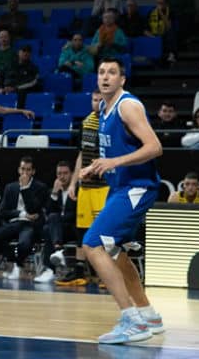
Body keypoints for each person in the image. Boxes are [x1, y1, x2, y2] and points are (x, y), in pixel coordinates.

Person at [79, 58, 164, 344]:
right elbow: (113, 152)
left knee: (92, 244)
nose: (105, 77)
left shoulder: (127, 106)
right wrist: (95, 167)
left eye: (112, 73)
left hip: (137, 187)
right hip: (120, 187)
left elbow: (155, 147)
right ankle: (149, 315)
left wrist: (115, 161)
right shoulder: (103, 109)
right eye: (102, 72)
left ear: (122, 79)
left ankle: (132, 320)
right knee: (116, 252)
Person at [58, 89, 103, 287]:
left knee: (103, 230)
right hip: (86, 187)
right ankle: (79, 272)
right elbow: (81, 154)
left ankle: (105, 273)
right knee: (82, 230)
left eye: (100, 100)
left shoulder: (112, 123)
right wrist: (74, 183)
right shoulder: (86, 123)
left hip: (104, 186)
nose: (97, 103)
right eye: (94, 99)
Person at [0, 157, 48, 280]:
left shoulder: (40, 187)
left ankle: (17, 265)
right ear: (18, 170)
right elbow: (2, 212)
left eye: (28, 170)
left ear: (33, 171)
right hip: (14, 222)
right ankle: (14, 260)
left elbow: (33, 209)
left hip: (30, 224)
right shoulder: (10, 187)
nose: (25, 173)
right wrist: (22, 214)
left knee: (24, 243)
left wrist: (25, 188)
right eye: (23, 169)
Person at [36, 161, 76, 283]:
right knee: (49, 227)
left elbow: (75, 215)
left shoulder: (77, 190)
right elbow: (47, 213)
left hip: (73, 229)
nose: (62, 177)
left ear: (72, 174)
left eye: (65, 173)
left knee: (50, 225)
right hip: (56, 230)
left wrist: (59, 218)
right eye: (59, 174)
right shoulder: (53, 192)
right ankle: (58, 250)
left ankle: (50, 269)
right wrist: (54, 193)